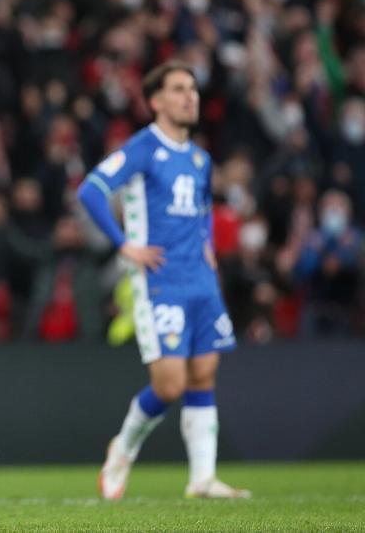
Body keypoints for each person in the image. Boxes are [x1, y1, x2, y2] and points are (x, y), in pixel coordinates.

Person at [75, 60, 250, 500]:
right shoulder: (142, 147)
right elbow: (91, 189)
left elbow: (203, 209)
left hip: (201, 281)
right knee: (169, 384)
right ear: (156, 101)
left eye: (192, 88)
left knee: (204, 373)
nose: (190, 96)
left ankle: (203, 478)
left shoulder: (200, 158)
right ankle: (123, 449)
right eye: (178, 89)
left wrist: (207, 246)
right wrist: (123, 243)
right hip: (159, 281)